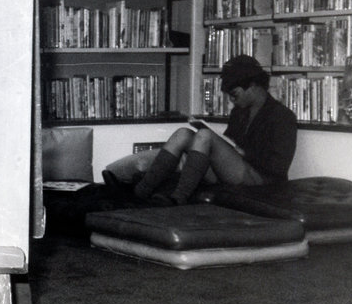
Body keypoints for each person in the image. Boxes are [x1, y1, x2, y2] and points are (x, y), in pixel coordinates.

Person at [110, 55, 297, 205]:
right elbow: (229, 143)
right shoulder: (239, 112)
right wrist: (231, 148)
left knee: (205, 136)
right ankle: (139, 193)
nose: (232, 100)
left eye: (235, 95)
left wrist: (244, 153)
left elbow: (278, 168)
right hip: (237, 170)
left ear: (254, 86)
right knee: (183, 133)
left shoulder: (282, 116)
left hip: (262, 180)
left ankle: (178, 198)